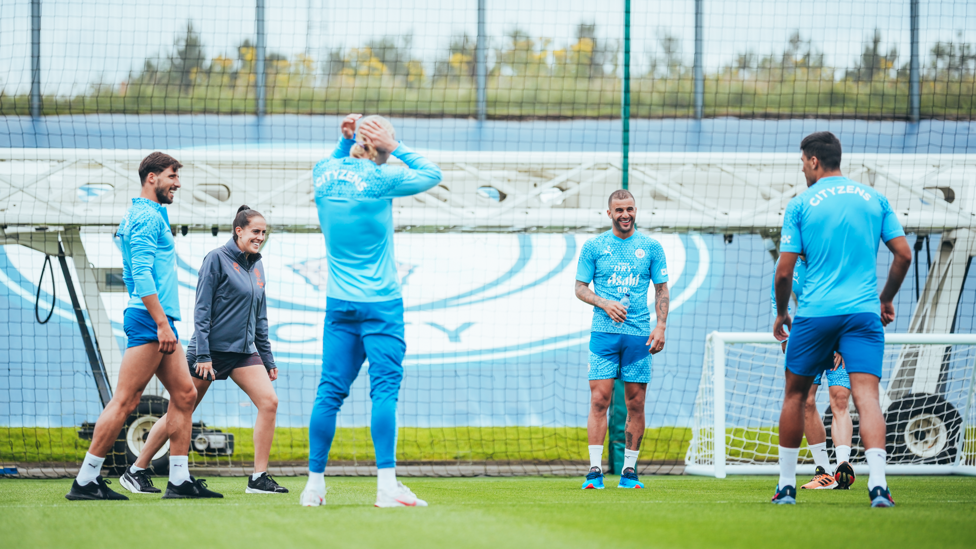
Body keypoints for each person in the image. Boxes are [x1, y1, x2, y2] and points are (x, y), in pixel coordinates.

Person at [300, 114, 442, 508]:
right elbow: (432, 173)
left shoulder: (323, 172)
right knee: (384, 392)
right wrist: (394, 148)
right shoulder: (383, 179)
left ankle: (313, 488)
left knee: (329, 392)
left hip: (339, 304)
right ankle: (386, 487)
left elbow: (337, 163)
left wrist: (346, 141)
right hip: (381, 305)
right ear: (379, 147)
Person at [66, 152, 220, 500]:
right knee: (125, 401)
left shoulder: (151, 213)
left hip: (159, 320)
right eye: (171, 176)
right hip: (152, 320)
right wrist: (162, 323)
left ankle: (179, 480)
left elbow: (132, 270)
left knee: (184, 395)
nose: (177, 183)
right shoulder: (145, 218)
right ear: (151, 177)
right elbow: (141, 273)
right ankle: (86, 481)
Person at [771, 131, 911, 507]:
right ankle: (878, 485)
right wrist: (885, 300)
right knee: (867, 399)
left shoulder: (800, 204)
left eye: (803, 162)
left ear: (814, 161)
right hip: (864, 313)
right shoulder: (875, 199)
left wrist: (783, 313)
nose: (802, 168)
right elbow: (903, 255)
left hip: (816, 313)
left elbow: (784, 273)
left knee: (796, 394)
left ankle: (786, 486)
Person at [120, 206, 286, 496]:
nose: (260, 237)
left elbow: (260, 317)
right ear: (239, 231)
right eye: (255, 231)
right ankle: (136, 470)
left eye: (263, 232)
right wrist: (205, 355)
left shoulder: (257, 266)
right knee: (181, 410)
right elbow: (202, 310)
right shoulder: (216, 259)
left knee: (269, 402)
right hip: (210, 352)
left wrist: (267, 357)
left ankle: (259, 478)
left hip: (243, 353)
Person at [574, 189, 669, 490]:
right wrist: (604, 303)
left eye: (629, 209)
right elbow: (579, 288)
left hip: (639, 335)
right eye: (619, 210)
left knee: (636, 403)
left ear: (636, 210)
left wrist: (661, 326)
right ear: (609, 213)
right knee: (599, 400)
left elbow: (662, 290)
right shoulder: (595, 246)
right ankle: (594, 471)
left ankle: (629, 471)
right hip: (603, 334)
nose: (625, 215)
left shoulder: (651, 247)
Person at [770, 255, 854, 490]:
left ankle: (842, 468)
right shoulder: (786, 260)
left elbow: (848, 297)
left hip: (838, 337)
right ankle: (825, 472)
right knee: (805, 401)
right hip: (806, 339)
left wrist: (843, 341)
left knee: (839, 399)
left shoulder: (832, 253)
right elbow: (776, 294)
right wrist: (785, 335)